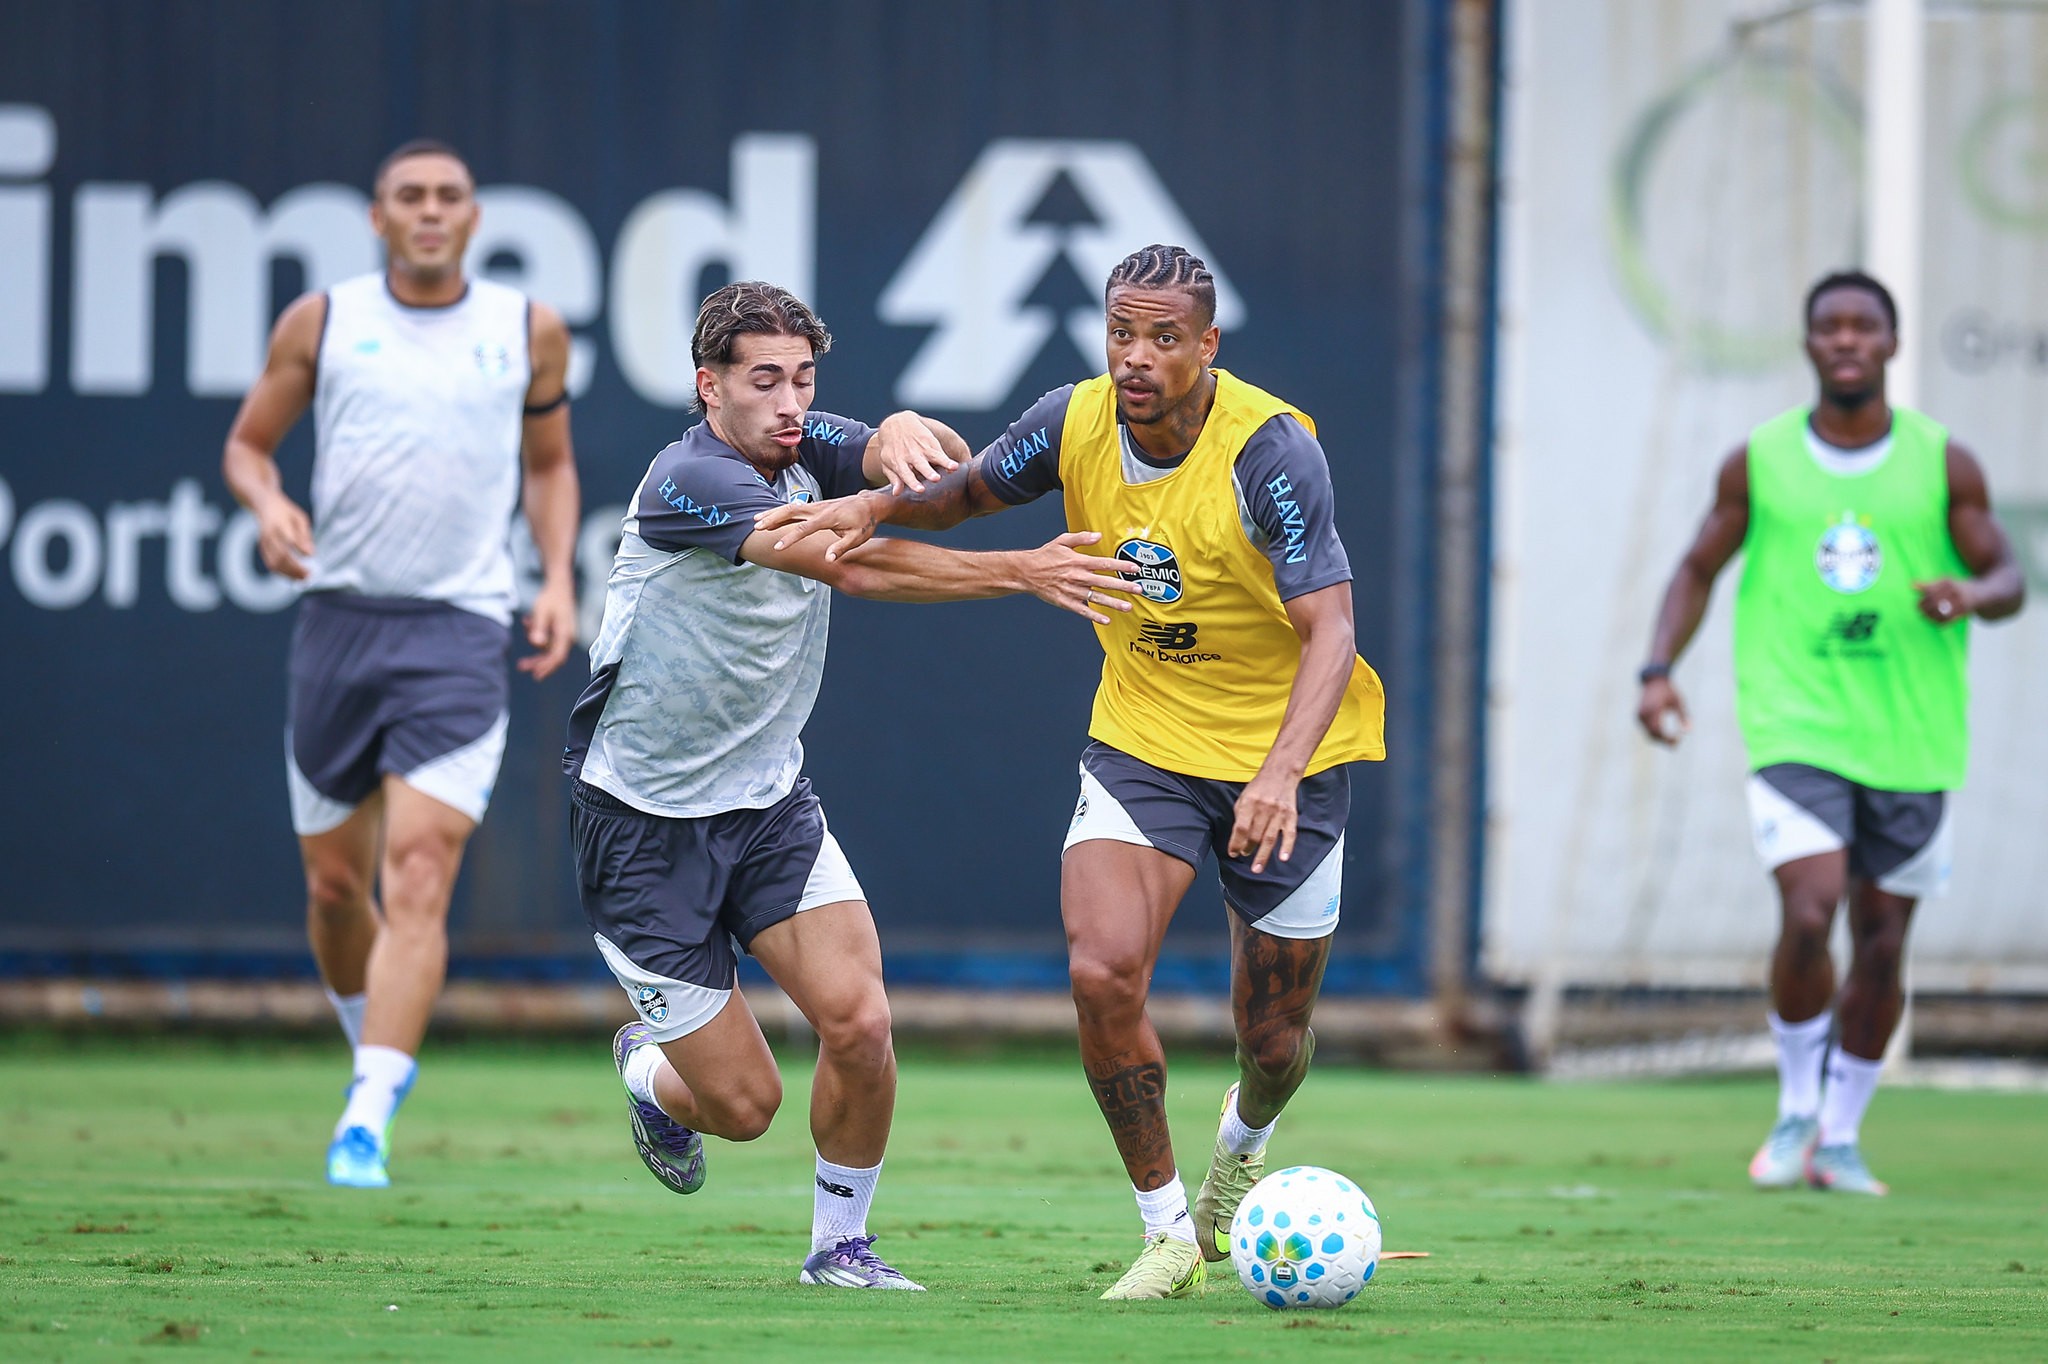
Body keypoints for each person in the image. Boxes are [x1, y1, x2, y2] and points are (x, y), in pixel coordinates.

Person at [758, 244, 1386, 1299]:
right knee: (1100, 970)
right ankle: (1168, 1232)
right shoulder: (1074, 418)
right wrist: (871, 506)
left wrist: (1279, 774)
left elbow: (1332, 629)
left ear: (1207, 345)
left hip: (1290, 759)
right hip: (1145, 742)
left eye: (1163, 338)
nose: (1135, 356)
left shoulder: (1271, 450)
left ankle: (1240, 1149)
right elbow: (963, 494)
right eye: (1120, 332)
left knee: (1274, 1040)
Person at [567, 280, 1140, 1290]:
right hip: (641, 829)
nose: (788, 402)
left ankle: (839, 1246)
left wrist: (900, 431)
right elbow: (853, 564)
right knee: (744, 1108)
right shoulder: (688, 478)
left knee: (863, 1023)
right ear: (708, 386)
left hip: (768, 810)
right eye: (763, 381)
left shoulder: (801, 440)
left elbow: (887, 454)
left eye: (802, 379)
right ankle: (649, 1071)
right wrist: (1020, 568)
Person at [222, 139, 582, 1188]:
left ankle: (367, 1113)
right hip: (338, 625)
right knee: (337, 885)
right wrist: (266, 502)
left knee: (418, 871)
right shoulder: (322, 320)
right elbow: (247, 446)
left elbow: (550, 465)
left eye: (448, 196)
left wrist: (556, 577)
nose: (430, 211)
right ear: (378, 218)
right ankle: (371, 1044)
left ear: (473, 218)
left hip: (460, 630)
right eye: (409, 197)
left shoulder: (527, 329)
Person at [1636, 270, 2025, 1196]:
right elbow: (1698, 566)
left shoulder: (1945, 462)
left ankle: (1840, 1138)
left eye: (1864, 326)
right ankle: (1795, 1109)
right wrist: (1656, 671)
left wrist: (1971, 593)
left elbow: (2008, 576)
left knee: (1882, 940)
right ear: (1810, 344)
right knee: (1810, 911)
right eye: (1830, 326)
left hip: (1911, 735)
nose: (1847, 340)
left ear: (1892, 343)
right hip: (1796, 722)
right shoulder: (1760, 459)